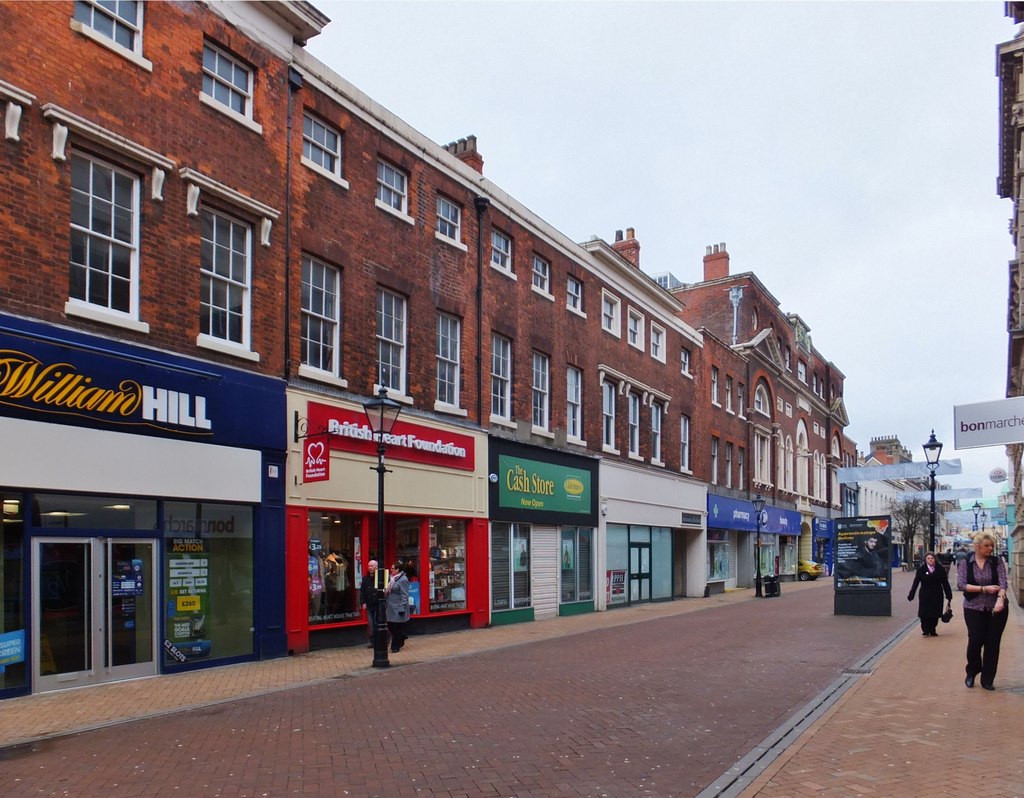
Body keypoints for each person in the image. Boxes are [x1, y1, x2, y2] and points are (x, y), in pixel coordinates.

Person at [957, 532, 1010, 690]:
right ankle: (972, 671)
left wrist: (1001, 599)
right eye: (986, 546)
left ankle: (987, 679)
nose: (990, 548)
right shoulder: (966, 562)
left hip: (996, 609)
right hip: (973, 607)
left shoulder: (996, 561)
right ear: (977, 546)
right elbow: (961, 585)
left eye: (991, 546)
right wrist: (984, 589)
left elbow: (1003, 582)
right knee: (975, 640)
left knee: (992, 643)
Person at [907, 552, 952, 636]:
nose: (930, 560)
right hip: (925, 594)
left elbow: (945, 583)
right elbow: (916, 582)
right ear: (925, 560)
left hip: (937, 594)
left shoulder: (940, 569)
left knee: (935, 612)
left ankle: (932, 629)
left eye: (932, 558)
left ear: (935, 559)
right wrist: (911, 594)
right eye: (928, 558)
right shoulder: (921, 569)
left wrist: (949, 595)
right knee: (924, 613)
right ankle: (925, 629)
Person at [385, 559, 411, 653]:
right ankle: (402, 636)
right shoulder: (390, 578)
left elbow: (404, 595)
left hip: (397, 606)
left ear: (398, 569)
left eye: (392, 568)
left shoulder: (403, 579)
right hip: (390, 606)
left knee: (396, 627)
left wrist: (402, 607)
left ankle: (395, 646)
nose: (390, 569)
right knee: (390, 625)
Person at [360, 559, 379, 649]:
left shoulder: (380, 577)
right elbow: (362, 592)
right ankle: (372, 641)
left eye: (372, 566)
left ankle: (383, 639)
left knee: (377, 623)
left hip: (378, 604)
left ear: (376, 567)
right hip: (369, 604)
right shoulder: (365, 578)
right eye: (369, 566)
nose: (370, 568)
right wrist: (363, 602)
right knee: (371, 624)